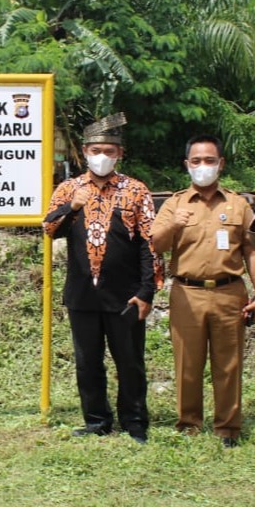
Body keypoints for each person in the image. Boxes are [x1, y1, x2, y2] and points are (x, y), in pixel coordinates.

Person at [43, 113, 157, 444]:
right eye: (96, 150)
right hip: (82, 295)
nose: (102, 156)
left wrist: (147, 291)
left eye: (109, 150)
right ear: (85, 151)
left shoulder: (136, 190)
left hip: (126, 295)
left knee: (130, 362)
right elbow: (50, 229)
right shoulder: (68, 189)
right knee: (88, 363)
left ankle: (135, 422)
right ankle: (96, 421)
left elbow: (150, 244)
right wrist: (72, 208)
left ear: (119, 153)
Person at [150, 135, 255, 447]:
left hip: (229, 293)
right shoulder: (175, 204)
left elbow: (253, 250)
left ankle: (228, 427)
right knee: (187, 362)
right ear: (186, 164)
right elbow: (155, 246)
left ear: (221, 164)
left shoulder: (238, 204)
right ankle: (189, 423)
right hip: (187, 293)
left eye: (210, 161)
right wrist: (174, 224)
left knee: (228, 364)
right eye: (197, 161)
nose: (203, 167)